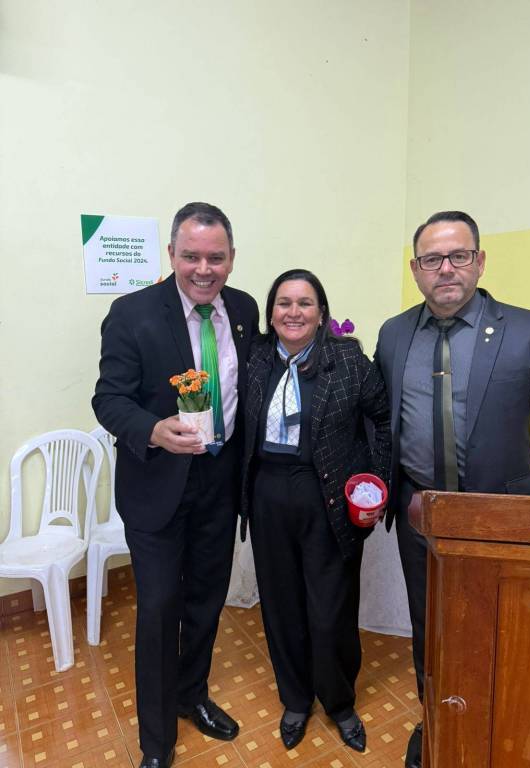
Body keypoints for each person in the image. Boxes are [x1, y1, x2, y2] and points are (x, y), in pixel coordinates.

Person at [374, 210, 530, 768]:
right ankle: (436, 722)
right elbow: (379, 420)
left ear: (480, 261)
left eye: (458, 256)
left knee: (505, 633)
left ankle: (501, 732)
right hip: (422, 514)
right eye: (432, 259)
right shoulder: (394, 334)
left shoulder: (529, 330)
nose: (445, 269)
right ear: (415, 269)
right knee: (429, 626)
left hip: (501, 519)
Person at [93, 202, 259, 768]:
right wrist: (153, 430)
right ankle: (157, 740)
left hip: (220, 480)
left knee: (207, 601)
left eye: (216, 258)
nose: (203, 270)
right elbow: (108, 399)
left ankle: (193, 696)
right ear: (171, 255)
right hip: (157, 486)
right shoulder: (132, 313)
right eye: (191, 256)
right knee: (161, 610)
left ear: (231, 259)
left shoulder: (243, 309)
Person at [241, 269, 391, 753]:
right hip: (267, 494)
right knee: (281, 604)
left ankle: (340, 702)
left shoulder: (347, 360)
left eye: (305, 303)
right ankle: (295, 699)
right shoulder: (255, 359)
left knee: (330, 611)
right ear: (271, 313)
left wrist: (377, 483)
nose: (294, 312)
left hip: (326, 496)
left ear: (321, 313)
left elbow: (383, 420)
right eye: (283, 303)